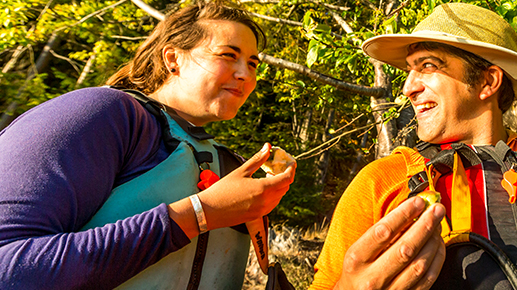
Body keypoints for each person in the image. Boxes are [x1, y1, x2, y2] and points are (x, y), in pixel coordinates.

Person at [310, 3, 517, 289]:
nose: (408, 88)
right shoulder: (384, 181)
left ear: (488, 81)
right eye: (409, 70)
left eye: (428, 65)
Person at [0, 1, 296, 289]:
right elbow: (8, 267)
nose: (246, 74)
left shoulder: (227, 162)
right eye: (228, 55)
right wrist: (201, 213)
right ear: (173, 59)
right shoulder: (103, 115)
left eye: (253, 63)